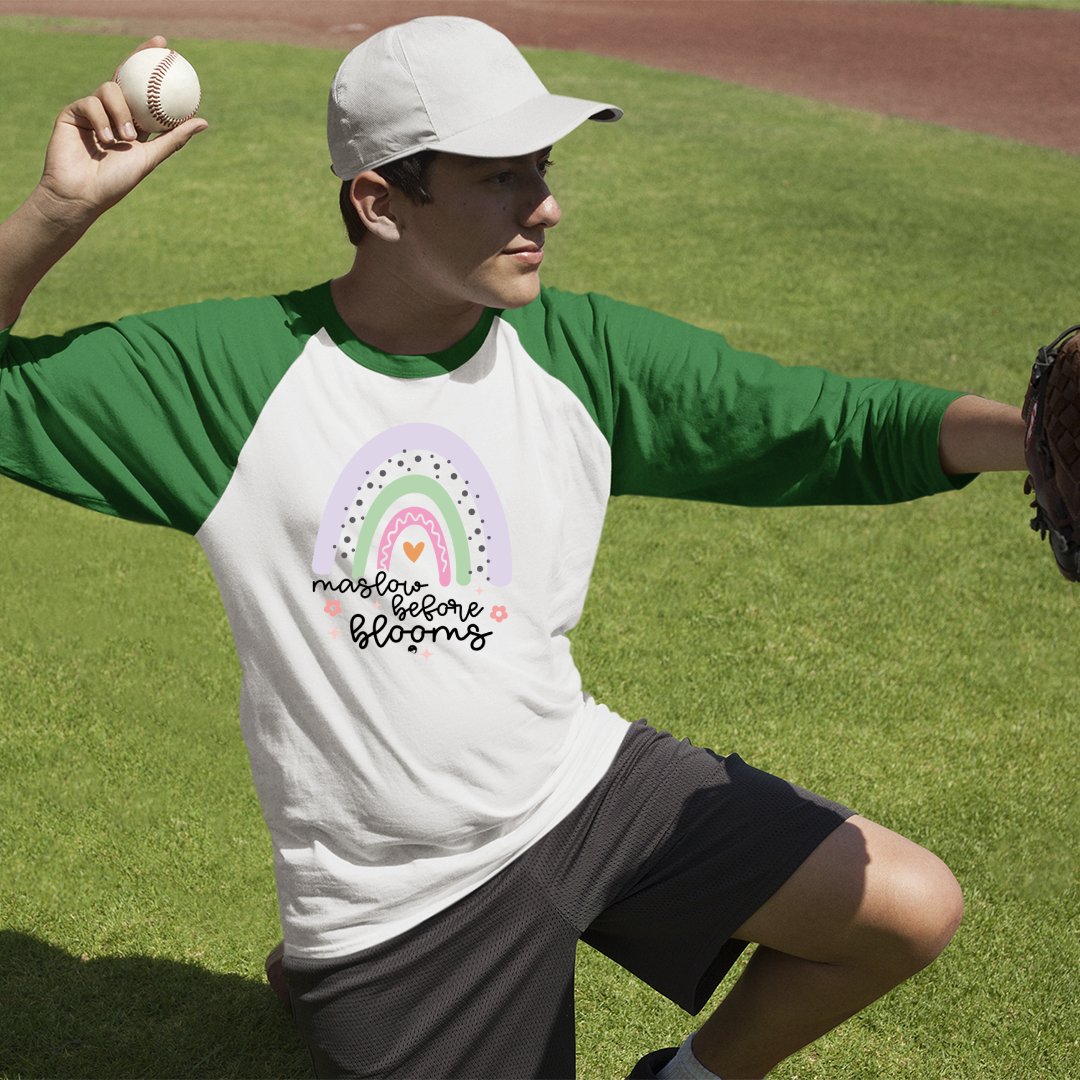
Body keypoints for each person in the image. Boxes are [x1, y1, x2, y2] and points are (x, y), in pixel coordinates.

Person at [0, 16, 1028, 1080]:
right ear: (381, 201)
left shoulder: (580, 355)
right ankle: (326, 981)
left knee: (909, 907)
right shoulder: (227, 377)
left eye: (540, 167)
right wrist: (55, 212)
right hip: (397, 900)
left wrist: (1035, 437)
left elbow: (827, 423)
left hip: (576, 790)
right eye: (498, 177)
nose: (546, 204)